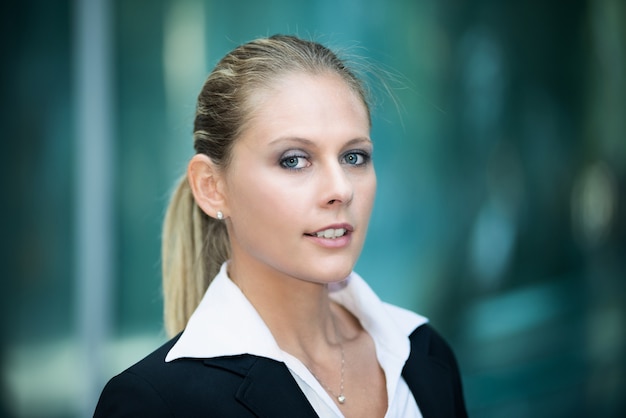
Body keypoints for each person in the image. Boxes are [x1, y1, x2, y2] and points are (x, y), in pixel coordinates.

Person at [94, 34, 467, 418]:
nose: (340, 189)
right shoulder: (155, 404)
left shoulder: (422, 352)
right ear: (211, 187)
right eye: (294, 160)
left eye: (354, 156)